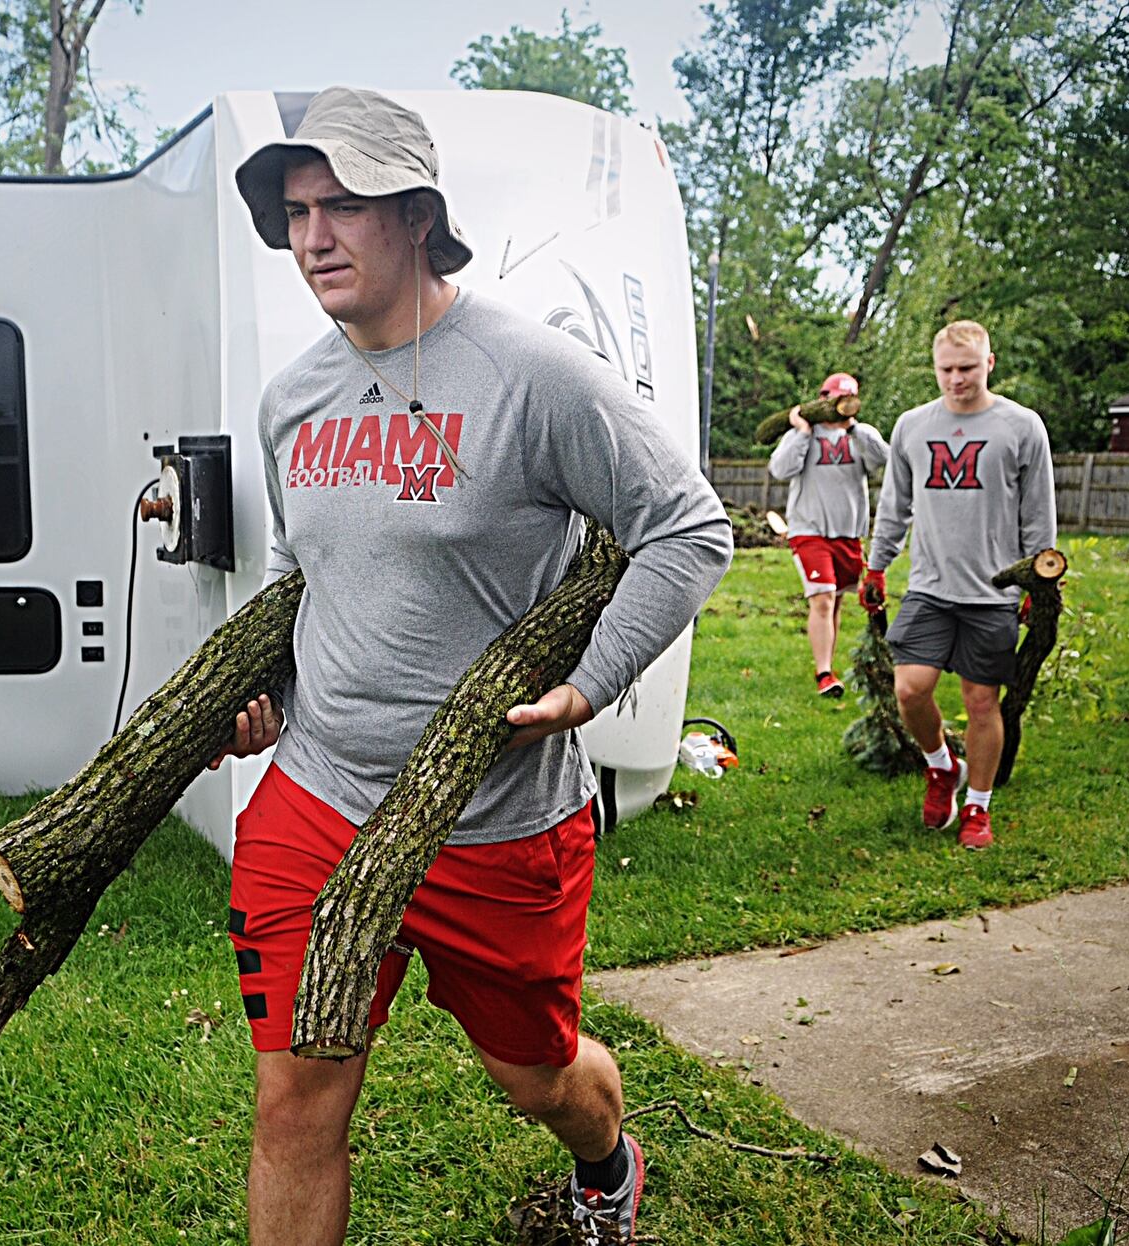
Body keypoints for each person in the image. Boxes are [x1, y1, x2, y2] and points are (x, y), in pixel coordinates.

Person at [216, 87, 733, 1245]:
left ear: (415, 215)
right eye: (296, 210)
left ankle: (607, 1158)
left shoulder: (531, 374)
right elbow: (311, 580)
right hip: (319, 798)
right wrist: (274, 697)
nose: (312, 237)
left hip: (493, 817)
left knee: (534, 1078)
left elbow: (688, 526)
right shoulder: (292, 398)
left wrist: (591, 683)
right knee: (295, 1100)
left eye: (342, 204)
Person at [861, 320, 1056, 850]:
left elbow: (1039, 515)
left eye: (967, 368)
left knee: (981, 702)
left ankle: (978, 806)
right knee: (911, 689)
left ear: (989, 364)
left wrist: (1038, 585)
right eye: (946, 369)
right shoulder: (912, 426)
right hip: (929, 586)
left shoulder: (1021, 427)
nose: (956, 379)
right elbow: (894, 506)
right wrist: (876, 567)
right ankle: (942, 766)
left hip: (993, 590)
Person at [767, 372, 888, 697]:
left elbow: (883, 461)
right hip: (809, 530)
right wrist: (802, 431)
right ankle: (823, 674)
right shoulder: (802, 433)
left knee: (833, 603)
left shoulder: (861, 435)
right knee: (822, 599)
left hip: (848, 534)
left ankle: (828, 667)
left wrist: (856, 430)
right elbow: (779, 469)